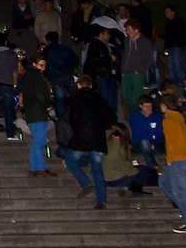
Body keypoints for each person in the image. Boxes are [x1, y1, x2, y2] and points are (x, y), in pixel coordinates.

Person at [64, 75, 116, 209]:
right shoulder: (99, 99)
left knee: (70, 160)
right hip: (98, 138)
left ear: (79, 85)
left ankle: (85, 182)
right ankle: (102, 200)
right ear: (91, 85)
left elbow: (72, 118)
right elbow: (111, 118)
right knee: (97, 168)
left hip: (81, 137)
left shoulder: (75, 98)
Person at [158, 95, 186, 233]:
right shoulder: (179, 117)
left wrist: (170, 158)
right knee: (164, 182)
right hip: (183, 156)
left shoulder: (168, 119)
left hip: (177, 158)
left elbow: (170, 141)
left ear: (164, 105)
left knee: (180, 192)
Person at [21, 55, 55, 177]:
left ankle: (33, 168)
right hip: (38, 112)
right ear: (34, 64)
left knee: (37, 140)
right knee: (39, 141)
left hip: (31, 111)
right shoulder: (36, 76)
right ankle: (40, 168)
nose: (44, 68)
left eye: (44, 65)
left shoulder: (27, 76)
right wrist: (48, 104)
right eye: (41, 65)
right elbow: (41, 93)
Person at [128, 97, 164, 168]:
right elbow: (139, 134)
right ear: (140, 106)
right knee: (145, 142)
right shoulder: (134, 117)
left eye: (150, 106)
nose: (148, 108)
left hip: (156, 144)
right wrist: (151, 141)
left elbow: (160, 133)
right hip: (139, 145)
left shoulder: (157, 117)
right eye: (146, 106)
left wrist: (154, 142)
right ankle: (154, 166)